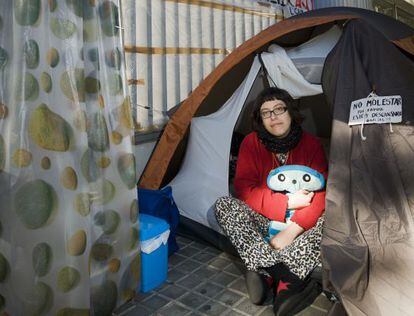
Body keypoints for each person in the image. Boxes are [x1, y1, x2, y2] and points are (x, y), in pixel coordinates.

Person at [215, 87, 328, 315]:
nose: (274, 116)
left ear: (291, 112)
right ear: (260, 119)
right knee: (224, 205)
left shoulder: (312, 144)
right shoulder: (250, 143)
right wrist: (285, 203)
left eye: (279, 109)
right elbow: (244, 189)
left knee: (333, 217)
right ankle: (282, 272)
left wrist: (293, 230)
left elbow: (323, 193)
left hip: (303, 224)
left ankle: (264, 271)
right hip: (265, 219)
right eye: (266, 113)